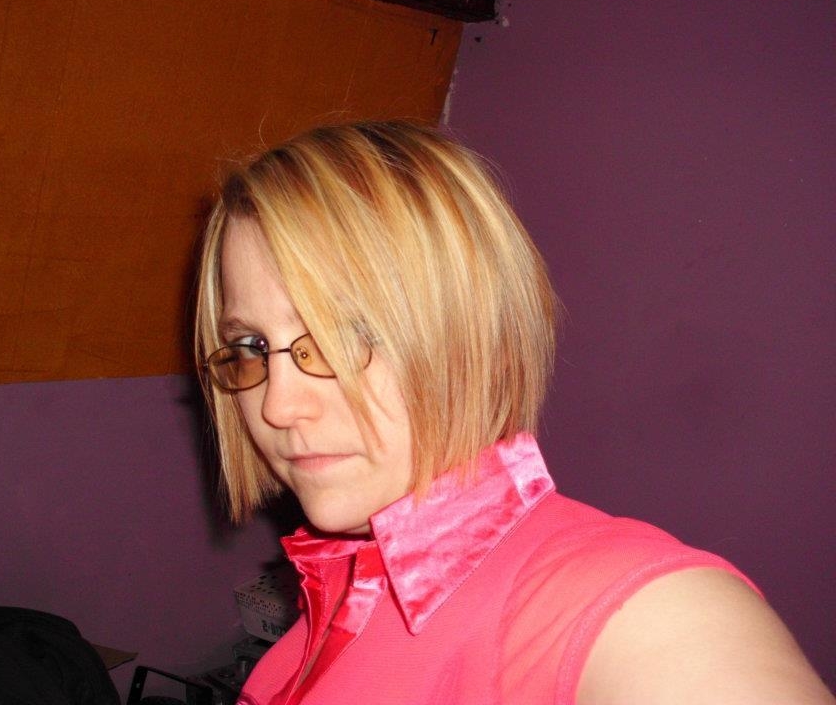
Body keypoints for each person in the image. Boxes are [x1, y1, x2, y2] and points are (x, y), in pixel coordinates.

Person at [194, 121, 832, 704]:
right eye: (252, 347)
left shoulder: (627, 604)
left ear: (480, 340)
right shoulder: (339, 586)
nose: (278, 405)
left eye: (346, 335)